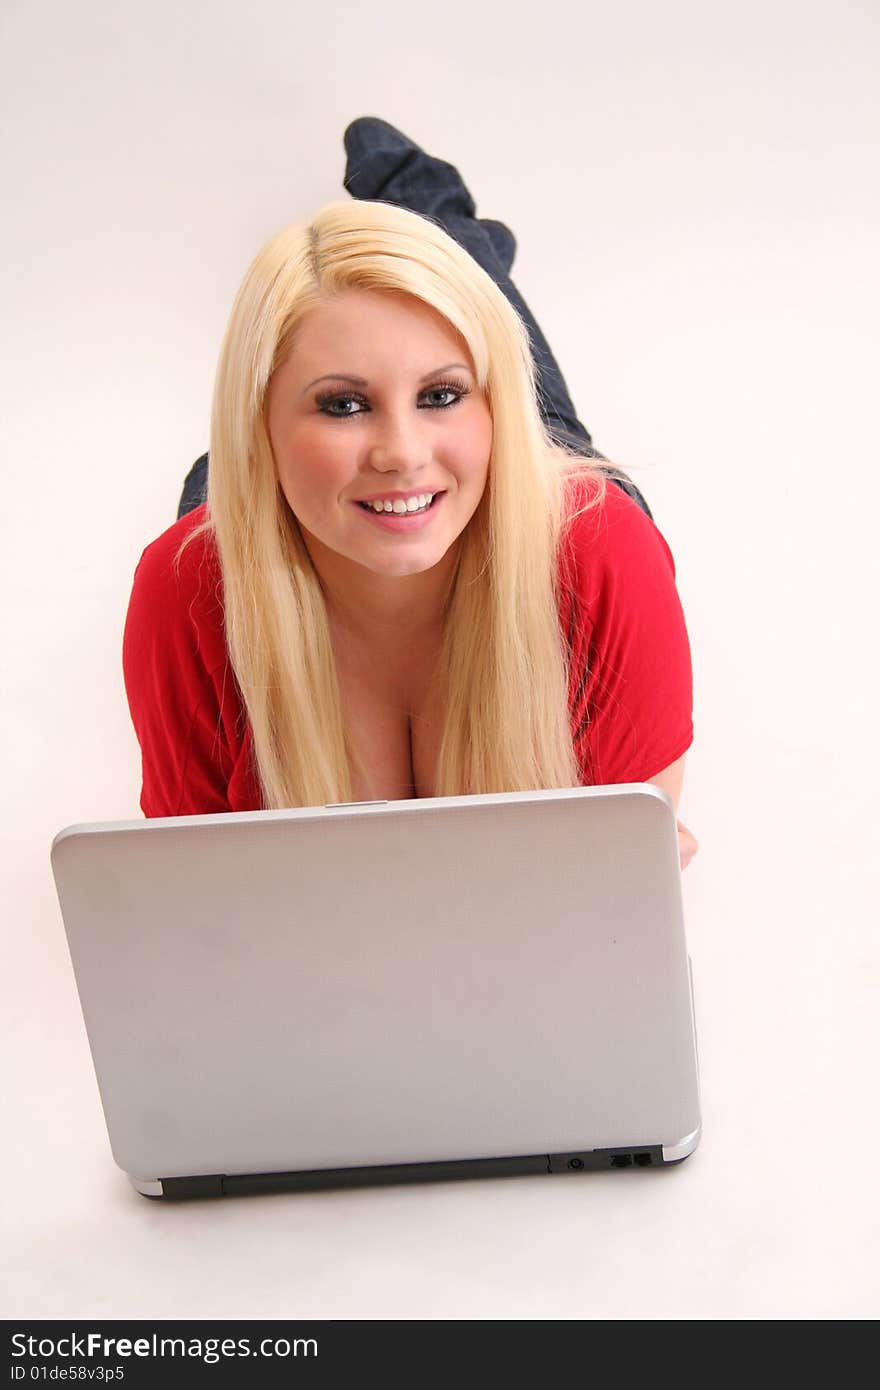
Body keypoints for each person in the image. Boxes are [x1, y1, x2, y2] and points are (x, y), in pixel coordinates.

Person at [123, 121, 698, 869]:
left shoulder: (598, 551)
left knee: (540, 408)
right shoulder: (188, 588)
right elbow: (200, 903)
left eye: (443, 394)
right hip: (284, 513)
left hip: (515, 516)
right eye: (343, 405)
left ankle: (442, 218)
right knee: (223, 504)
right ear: (257, 426)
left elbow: (611, 906)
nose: (402, 452)